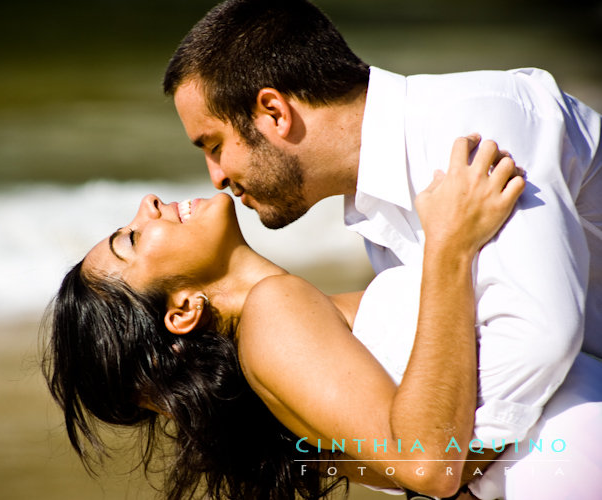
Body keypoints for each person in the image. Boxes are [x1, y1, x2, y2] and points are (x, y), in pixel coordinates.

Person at [163, 2, 602, 496]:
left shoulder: (473, 130)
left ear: (274, 112)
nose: (216, 177)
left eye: (214, 144)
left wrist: (444, 464)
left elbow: (539, 334)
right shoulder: (373, 207)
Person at [43, 136, 599, 499]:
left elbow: (435, 469)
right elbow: (429, 466)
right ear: (184, 310)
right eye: (133, 239)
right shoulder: (271, 313)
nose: (149, 203)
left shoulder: (283, 347)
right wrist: (449, 248)